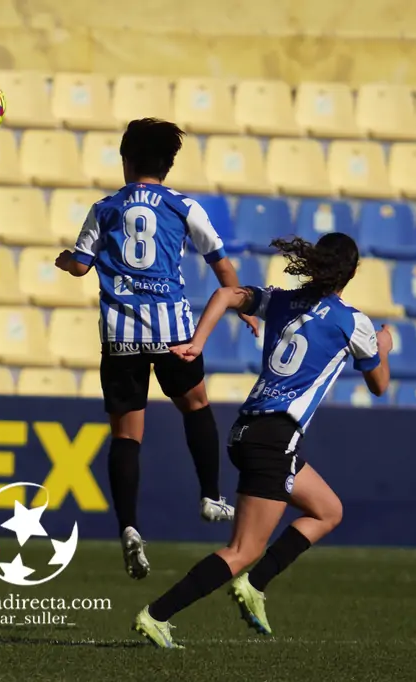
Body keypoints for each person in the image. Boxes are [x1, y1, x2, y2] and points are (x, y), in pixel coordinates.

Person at [132, 232, 393, 648]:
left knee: (327, 510)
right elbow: (379, 385)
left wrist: (198, 342)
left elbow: (226, 294)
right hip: (275, 438)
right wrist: (382, 346)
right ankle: (157, 615)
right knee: (242, 549)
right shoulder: (353, 322)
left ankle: (255, 584)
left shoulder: (282, 300)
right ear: (353, 273)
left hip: (248, 429)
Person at [55, 118, 258, 581]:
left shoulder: (105, 207)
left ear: (125, 161)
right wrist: (242, 305)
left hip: (121, 334)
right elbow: (220, 263)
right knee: (196, 405)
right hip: (174, 332)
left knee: (127, 435)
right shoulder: (184, 206)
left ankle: (128, 527)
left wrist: (67, 260)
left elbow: (81, 268)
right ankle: (210, 495)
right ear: (167, 166)